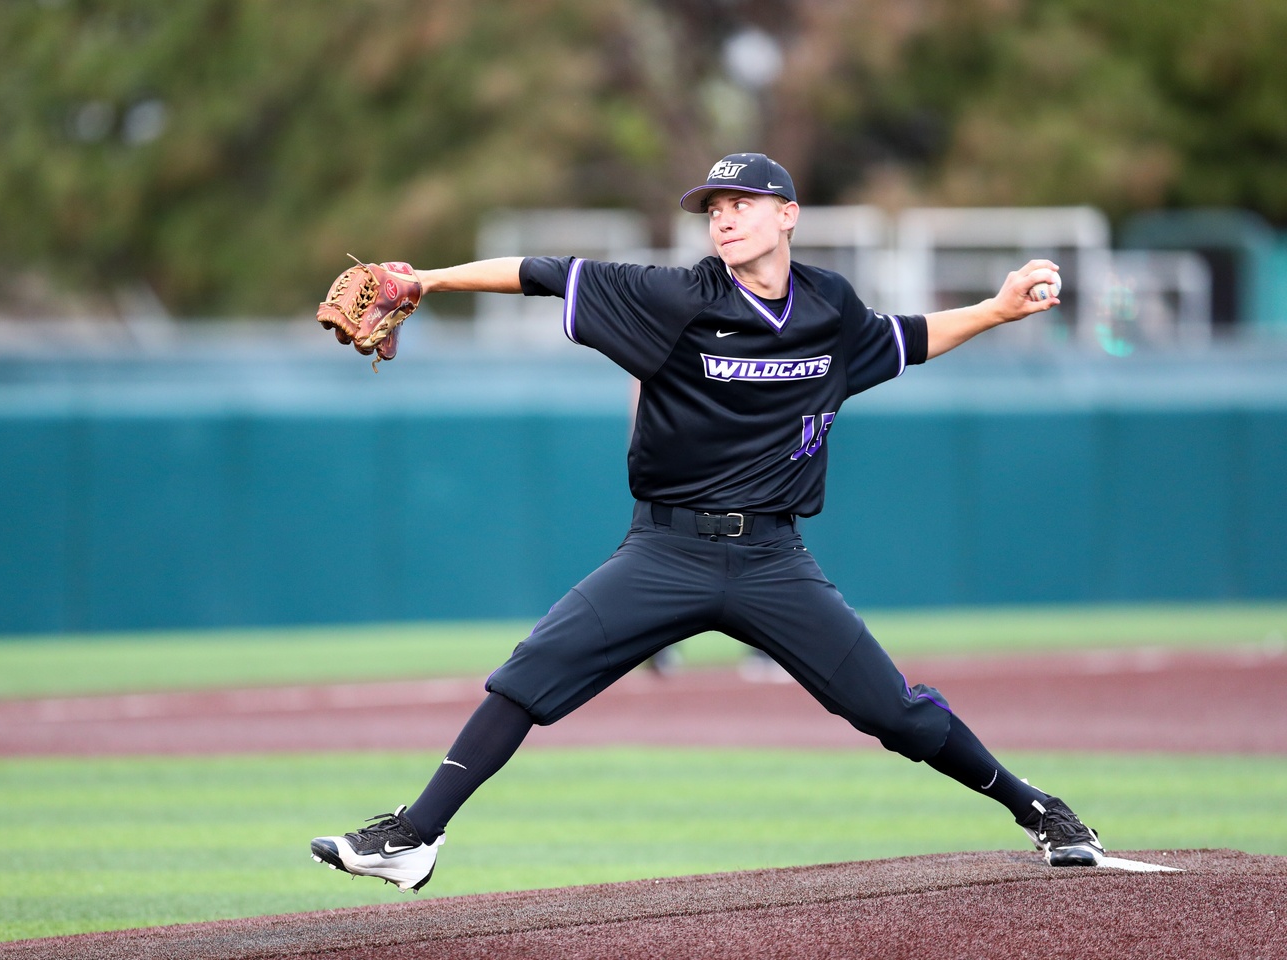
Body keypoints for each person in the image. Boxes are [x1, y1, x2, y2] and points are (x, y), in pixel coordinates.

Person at [309, 153, 1105, 893]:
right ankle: (414, 836)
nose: (723, 217)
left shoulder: (829, 306)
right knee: (530, 674)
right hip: (666, 552)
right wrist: (429, 281)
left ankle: (1039, 809)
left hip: (773, 560)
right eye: (714, 208)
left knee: (892, 712)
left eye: (741, 203)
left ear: (788, 214)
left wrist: (996, 310)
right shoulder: (676, 296)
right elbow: (543, 273)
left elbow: (909, 339)